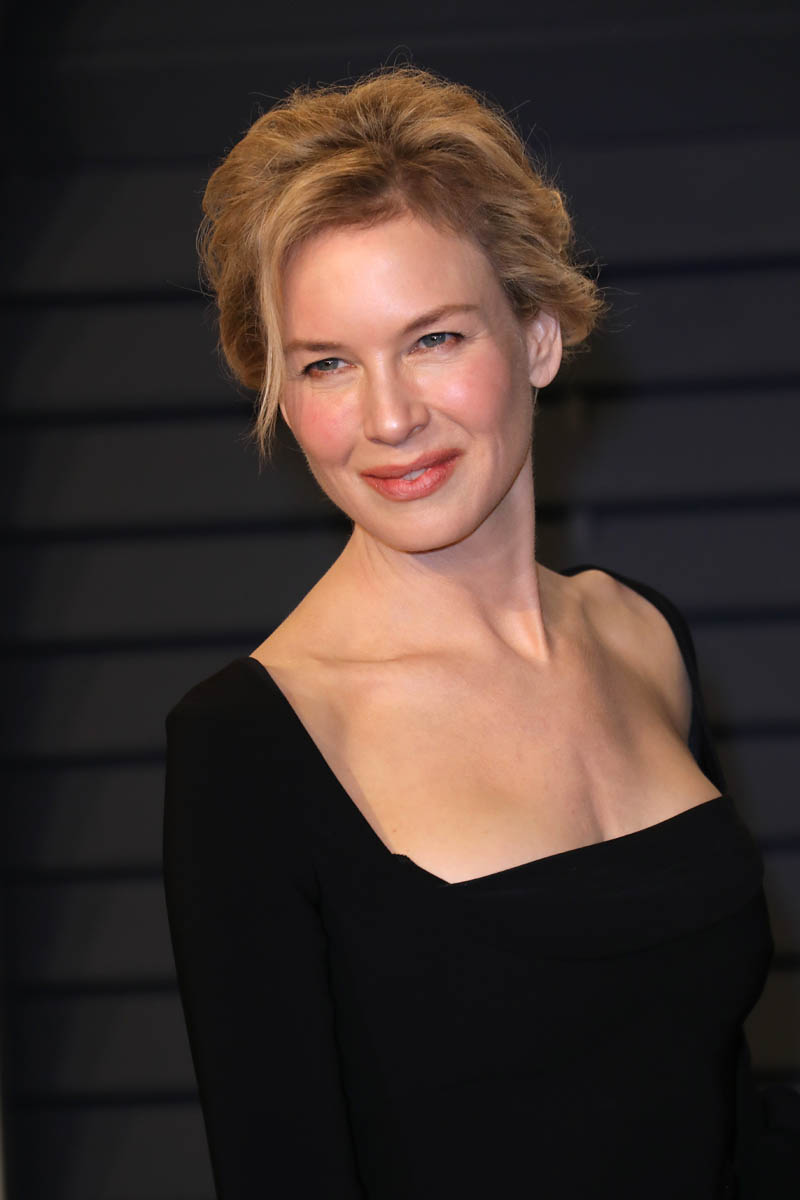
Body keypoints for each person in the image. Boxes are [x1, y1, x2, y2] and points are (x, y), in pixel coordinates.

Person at [162, 67, 782, 1198]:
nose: (390, 417)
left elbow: (713, 1091)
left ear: (538, 337)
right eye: (328, 364)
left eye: (435, 338)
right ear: (282, 397)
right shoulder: (252, 742)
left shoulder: (642, 635)